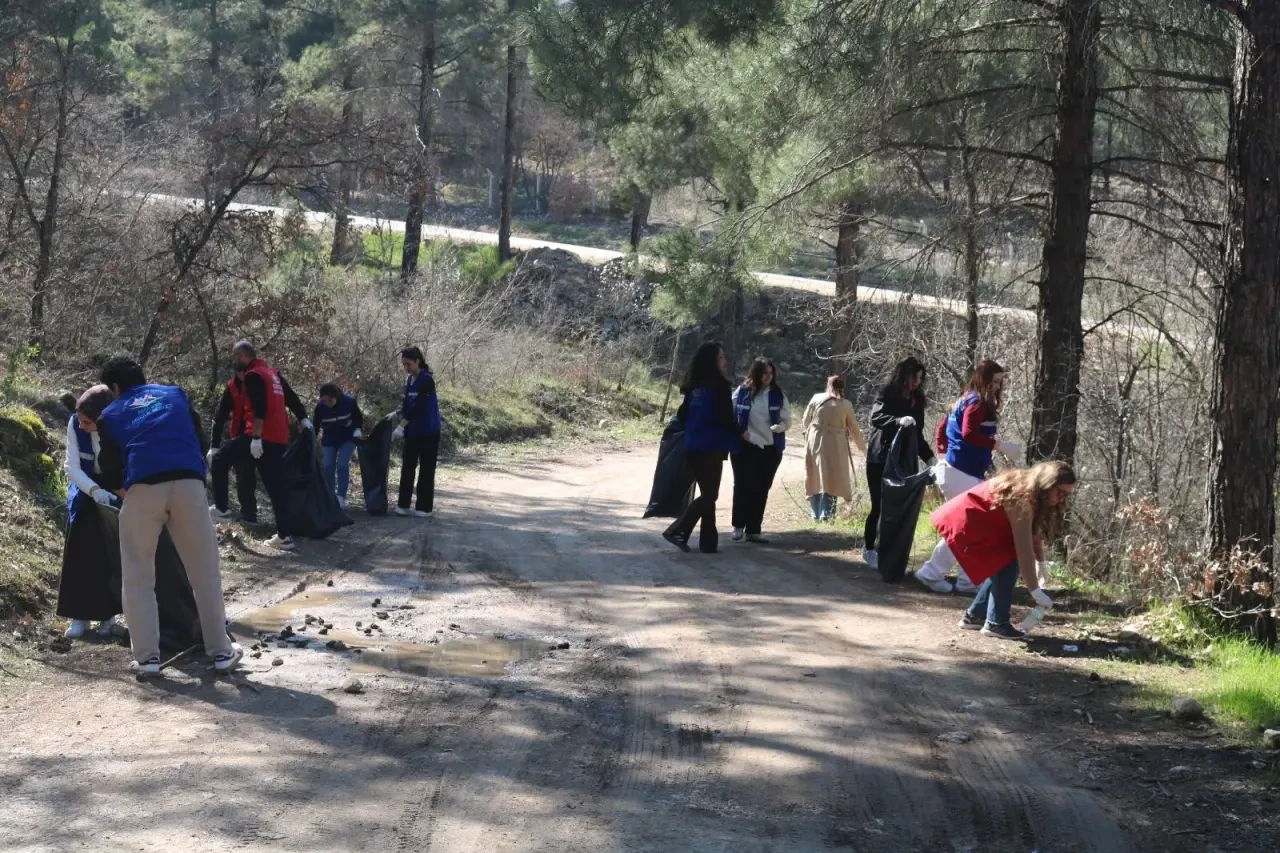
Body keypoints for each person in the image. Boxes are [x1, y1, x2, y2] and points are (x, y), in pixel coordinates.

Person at [95, 356, 242, 675]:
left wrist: (126, 488)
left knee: (137, 576)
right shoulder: (175, 394)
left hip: (143, 487)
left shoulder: (109, 413)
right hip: (188, 483)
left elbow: (107, 468)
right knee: (204, 572)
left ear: (116, 386)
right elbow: (200, 440)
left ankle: (148, 659)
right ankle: (221, 652)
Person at [915, 360, 1022, 594]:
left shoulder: (964, 399)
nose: (997, 386)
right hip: (961, 473)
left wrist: (943, 453)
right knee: (963, 528)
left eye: (1000, 381)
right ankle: (931, 573)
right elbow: (969, 433)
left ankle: (967, 580)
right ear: (983, 379)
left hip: (956, 471)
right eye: (994, 381)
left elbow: (943, 428)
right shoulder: (976, 404)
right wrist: (1000, 445)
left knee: (969, 528)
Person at [933, 461, 1073, 640]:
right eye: (1060, 492)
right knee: (1009, 558)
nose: (1061, 499)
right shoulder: (1021, 496)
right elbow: (1023, 549)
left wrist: (1041, 561)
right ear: (1047, 483)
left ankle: (975, 616)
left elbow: (1032, 533)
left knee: (1006, 558)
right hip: (966, 522)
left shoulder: (1035, 494)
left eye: (1066, 495)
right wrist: (1035, 590)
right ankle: (996, 623)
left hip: (978, 524)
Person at [208, 341, 312, 551]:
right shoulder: (272, 374)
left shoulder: (253, 375)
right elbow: (290, 397)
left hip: (258, 436)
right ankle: (284, 536)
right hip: (278, 438)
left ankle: (221, 510)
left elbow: (259, 408)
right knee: (275, 487)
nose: (233, 360)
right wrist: (303, 418)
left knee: (219, 459)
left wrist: (256, 437)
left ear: (242, 356)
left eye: (235, 356)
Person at [57, 385, 122, 639]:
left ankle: (109, 615)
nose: (83, 425)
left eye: (88, 422)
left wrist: (113, 491)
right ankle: (79, 616)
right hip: (85, 488)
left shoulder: (116, 428)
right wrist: (94, 490)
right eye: (80, 420)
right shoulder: (75, 424)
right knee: (80, 551)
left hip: (114, 486)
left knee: (110, 551)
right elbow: (71, 465)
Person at [663, 342, 738, 553]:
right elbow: (726, 419)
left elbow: (682, 415)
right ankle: (676, 530)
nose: (725, 361)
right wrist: (741, 432)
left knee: (707, 492)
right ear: (712, 361)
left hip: (693, 446)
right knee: (709, 496)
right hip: (711, 448)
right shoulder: (721, 387)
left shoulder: (694, 387)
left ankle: (708, 542)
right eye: (721, 357)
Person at [863, 357, 935, 569]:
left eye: (920, 379)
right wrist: (897, 421)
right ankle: (869, 548)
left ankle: (888, 550)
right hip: (880, 456)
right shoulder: (888, 392)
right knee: (879, 504)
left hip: (903, 461)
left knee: (895, 509)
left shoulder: (917, 401)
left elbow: (917, 435)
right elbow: (875, 417)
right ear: (904, 375)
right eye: (914, 377)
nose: (917, 383)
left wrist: (930, 457)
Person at [730, 357, 791, 544]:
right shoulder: (742, 392)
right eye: (765, 373)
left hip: (770, 448)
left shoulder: (777, 394)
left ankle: (753, 530)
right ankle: (738, 526)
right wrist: (743, 434)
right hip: (745, 446)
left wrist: (781, 426)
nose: (769, 377)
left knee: (762, 487)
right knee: (742, 485)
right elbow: (730, 416)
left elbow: (787, 419)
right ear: (756, 373)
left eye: (771, 373)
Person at [802, 375, 867, 521]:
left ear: (828, 385)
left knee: (815, 475)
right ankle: (827, 514)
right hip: (835, 443)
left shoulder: (816, 398)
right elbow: (854, 429)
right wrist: (863, 448)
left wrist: (809, 435)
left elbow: (806, 420)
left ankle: (816, 514)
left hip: (815, 438)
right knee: (833, 477)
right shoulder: (846, 404)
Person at [392, 346, 441, 518]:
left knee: (426, 470)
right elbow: (408, 404)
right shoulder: (409, 380)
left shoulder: (427, 380)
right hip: (413, 432)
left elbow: (418, 407)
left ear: (417, 361)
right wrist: (397, 413)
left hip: (429, 431)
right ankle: (403, 504)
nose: (406, 367)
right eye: (404, 364)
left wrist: (401, 425)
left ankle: (424, 507)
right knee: (407, 468)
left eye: (409, 364)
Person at [315, 383, 365, 509]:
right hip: (330, 439)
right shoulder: (320, 407)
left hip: (348, 437)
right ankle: (330, 497)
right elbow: (315, 426)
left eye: (330, 400)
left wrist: (358, 429)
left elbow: (358, 417)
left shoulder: (349, 402)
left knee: (342, 464)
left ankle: (341, 496)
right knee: (327, 466)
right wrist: (311, 439)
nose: (327, 403)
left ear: (336, 397)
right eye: (324, 400)